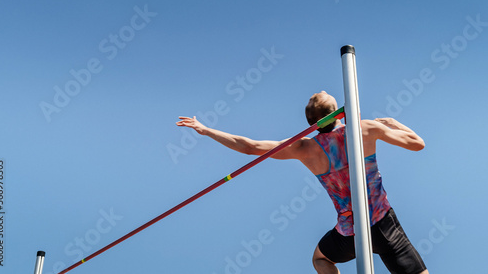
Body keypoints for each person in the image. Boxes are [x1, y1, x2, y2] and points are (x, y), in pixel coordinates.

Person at [176, 90, 428, 274]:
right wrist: (394, 123)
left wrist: (206, 130)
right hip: (384, 224)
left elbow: (249, 147)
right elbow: (418, 144)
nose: (317, 91)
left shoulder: (305, 148)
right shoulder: (366, 129)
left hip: (349, 232)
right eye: (320, 95)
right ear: (336, 112)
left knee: (320, 260)